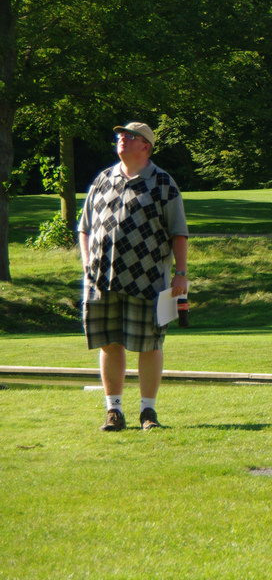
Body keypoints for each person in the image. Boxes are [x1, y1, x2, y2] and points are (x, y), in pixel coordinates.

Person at [79, 122, 189, 432]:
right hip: (101, 279)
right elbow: (84, 228)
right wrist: (87, 262)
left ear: (146, 146)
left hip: (148, 279)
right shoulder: (103, 179)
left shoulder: (163, 182)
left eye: (130, 136)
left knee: (149, 344)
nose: (122, 139)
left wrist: (181, 274)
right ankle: (113, 411)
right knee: (109, 343)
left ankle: (148, 412)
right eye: (120, 136)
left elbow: (179, 233)